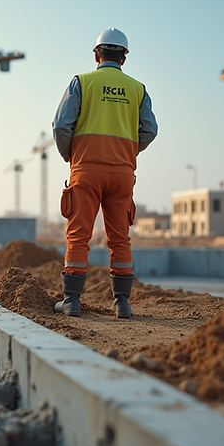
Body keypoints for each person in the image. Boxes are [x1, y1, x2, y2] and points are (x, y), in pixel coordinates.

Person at [51, 28, 158, 318]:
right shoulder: (137, 89)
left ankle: (71, 301)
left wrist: (68, 154)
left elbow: (62, 125)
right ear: (124, 57)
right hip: (123, 174)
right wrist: (126, 153)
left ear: (96, 55)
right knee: (120, 238)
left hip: (86, 169)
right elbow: (150, 130)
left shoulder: (82, 83)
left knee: (78, 236)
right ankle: (122, 303)